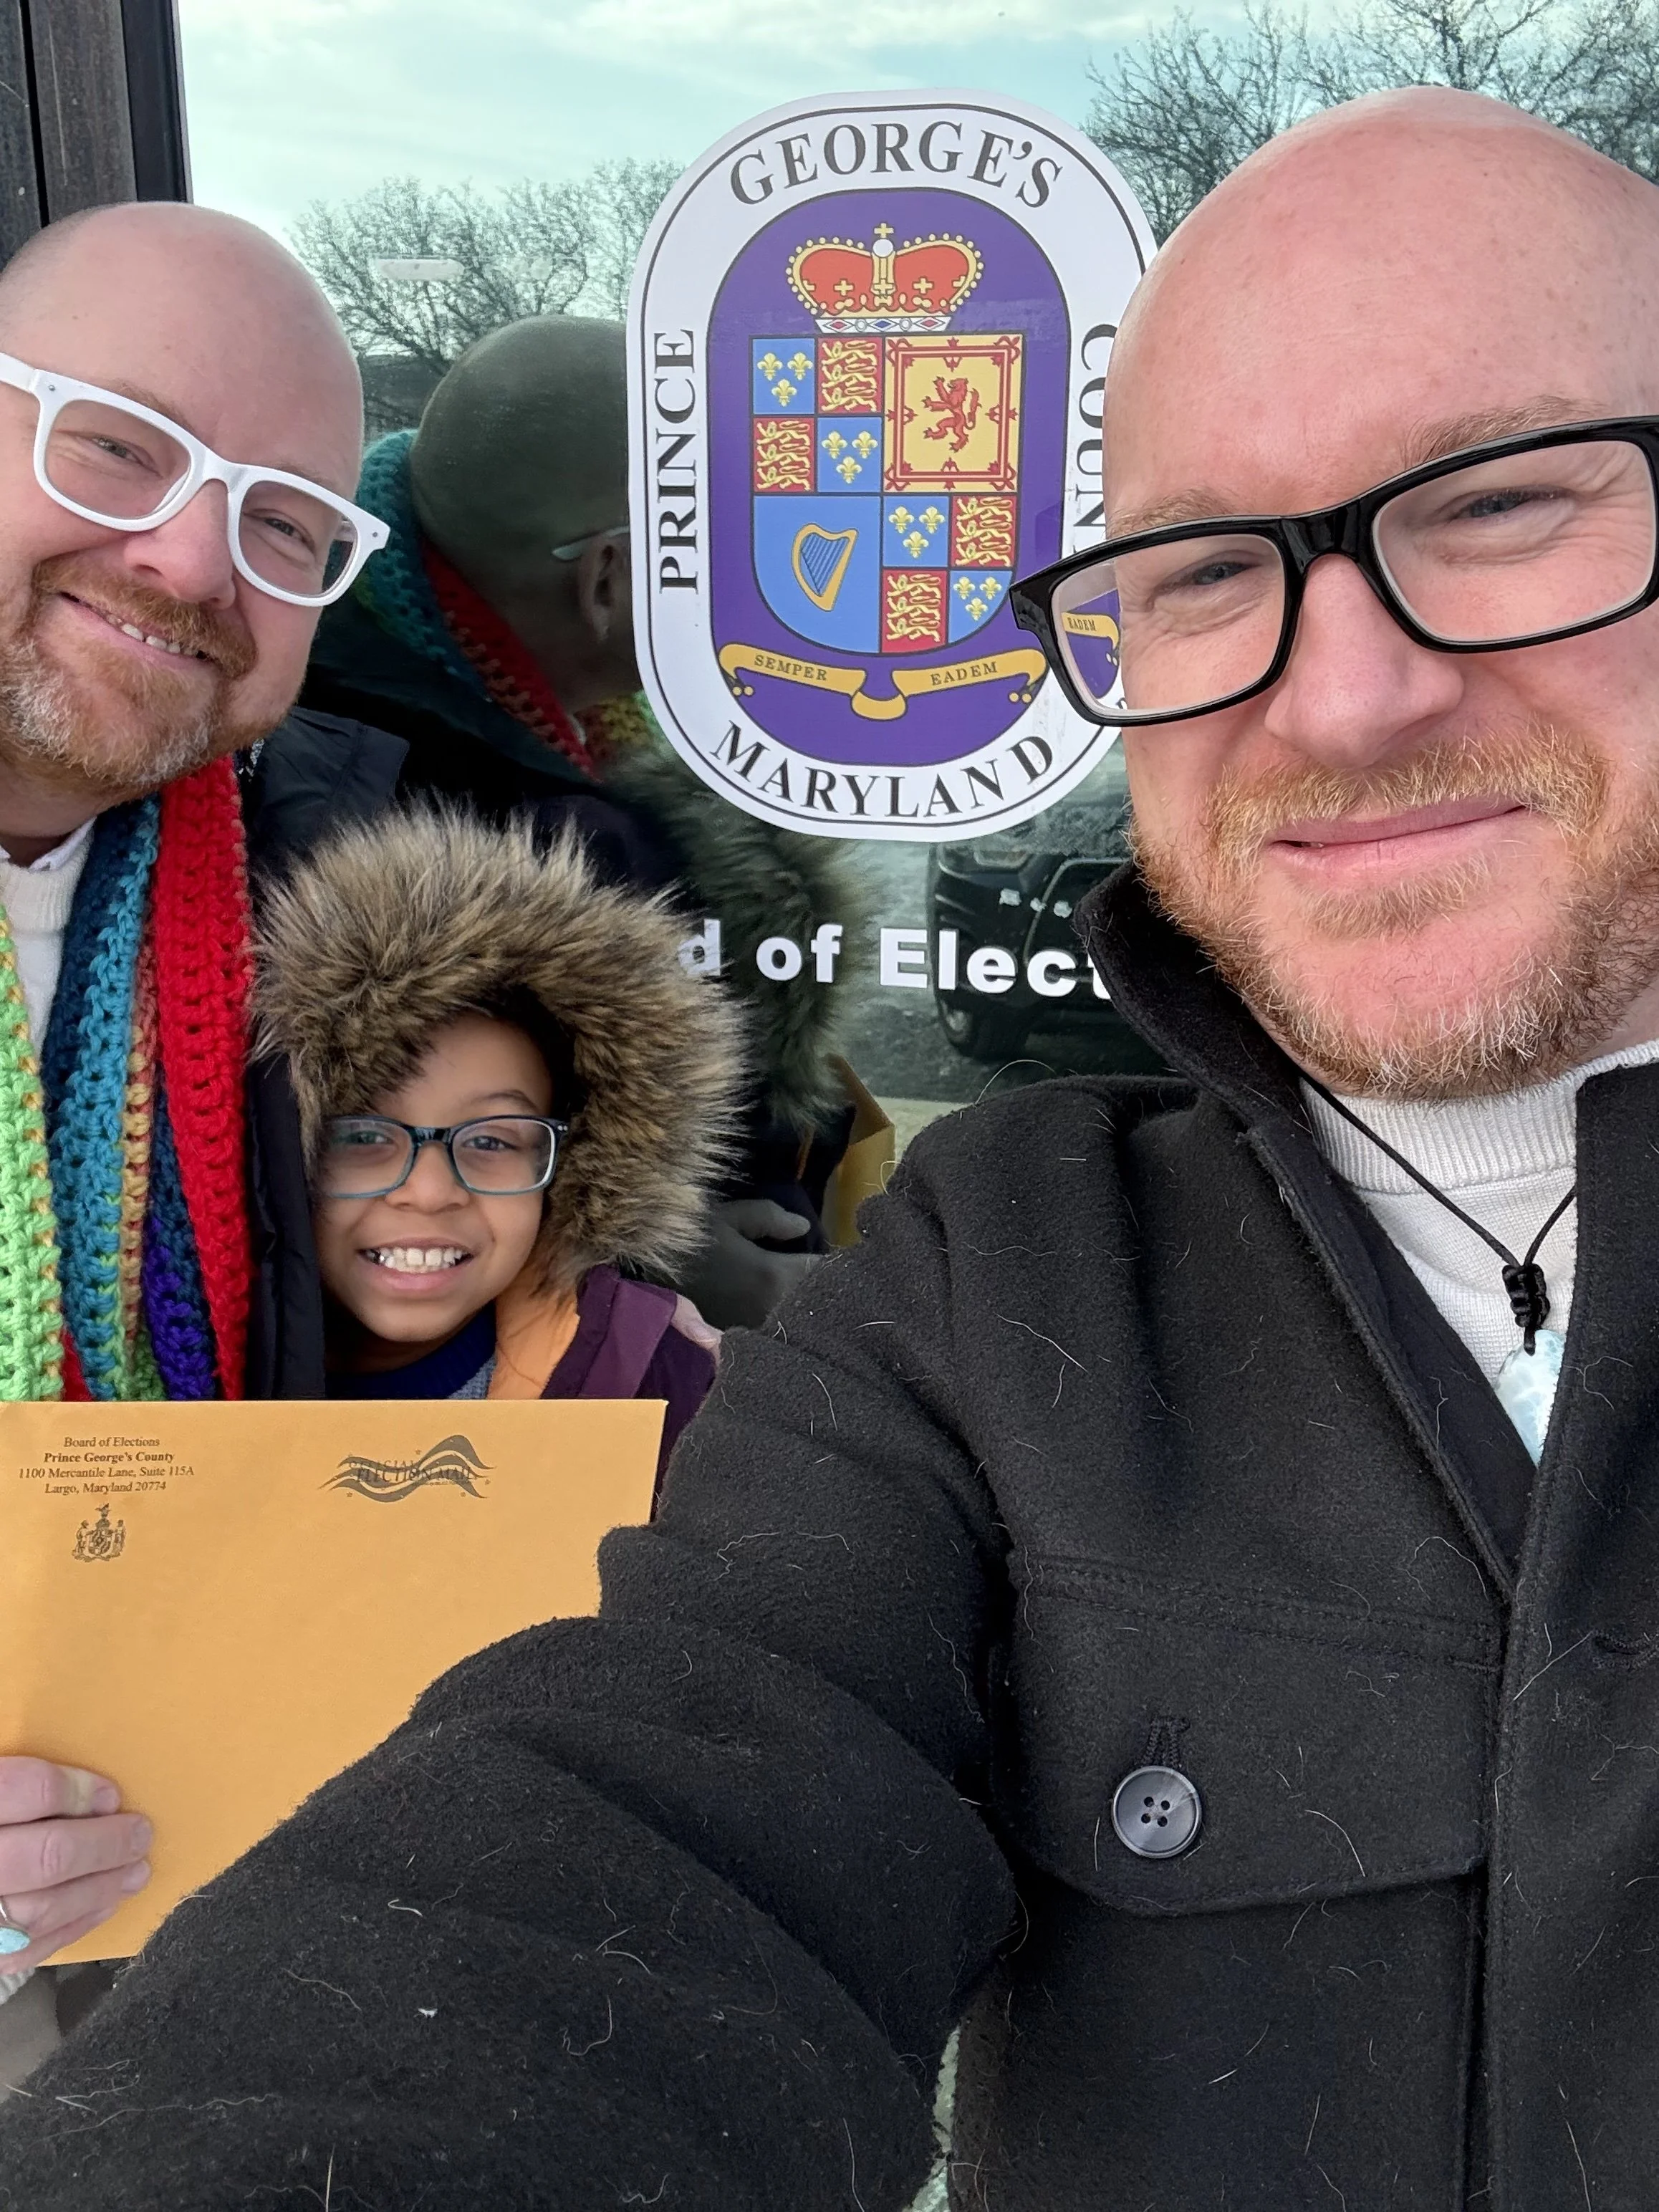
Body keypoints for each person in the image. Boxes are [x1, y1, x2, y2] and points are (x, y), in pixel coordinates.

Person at [9, 85, 1659, 2208]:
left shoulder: (379, 866)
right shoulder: (1018, 1285)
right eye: (1192, 569)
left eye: (1503, 504)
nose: (1340, 697)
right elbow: (644, 1834)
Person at [0, 202, 382, 2072]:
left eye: (285, 522)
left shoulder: (363, 934)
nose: (187, 556)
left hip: (198, 1966)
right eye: (114, 441)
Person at [268, 312, 871, 1328]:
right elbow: (385, 1180)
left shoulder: (367, 721)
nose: (749, 590)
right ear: (607, 579)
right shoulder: (455, 817)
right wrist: (649, 1261)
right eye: (723, 549)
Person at [256, 805, 739, 1478]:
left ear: (571, 1169)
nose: (428, 1191)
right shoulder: (167, 1381)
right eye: (363, 1135)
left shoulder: (666, 1391)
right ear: (287, 1152)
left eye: (492, 1141)